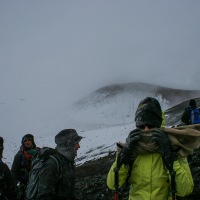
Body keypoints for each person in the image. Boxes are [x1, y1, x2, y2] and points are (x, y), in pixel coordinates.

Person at [107, 97, 194, 199]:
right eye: (141, 126)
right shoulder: (132, 149)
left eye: (150, 125)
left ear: (158, 124)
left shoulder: (174, 147)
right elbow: (112, 184)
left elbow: (185, 190)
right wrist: (124, 154)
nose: (146, 129)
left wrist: (170, 158)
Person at [25, 128, 83, 200]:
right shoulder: (52, 164)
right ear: (68, 144)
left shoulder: (68, 162)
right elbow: (43, 196)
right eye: (76, 143)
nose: (79, 146)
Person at [11, 134, 39, 200]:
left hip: (37, 184)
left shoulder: (38, 153)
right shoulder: (19, 155)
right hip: (24, 185)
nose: (27, 142)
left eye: (29, 140)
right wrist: (13, 186)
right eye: (25, 141)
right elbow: (14, 171)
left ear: (32, 142)